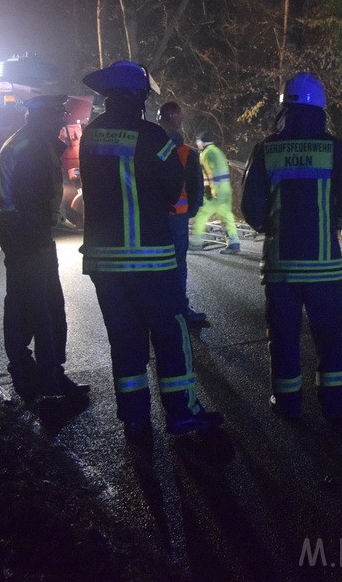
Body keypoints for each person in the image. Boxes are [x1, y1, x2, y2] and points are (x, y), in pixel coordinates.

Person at [78, 60, 223, 444]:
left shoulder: (90, 135)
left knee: (124, 340)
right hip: (150, 259)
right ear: (137, 96)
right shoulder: (153, 137)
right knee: (170, 333)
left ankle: (135, 419)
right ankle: (182, 413)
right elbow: (172, 186)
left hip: (103, 262)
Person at [240, 72, 342, 421]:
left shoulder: (266, 149)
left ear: (284, 108)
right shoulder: (335, 149)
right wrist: (335, 225)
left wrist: (270, 227)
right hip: (324, 265)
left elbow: (251, 207)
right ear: (320, 109)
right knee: (329, 336)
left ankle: (288, 401)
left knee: (282, 336)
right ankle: (334, 401)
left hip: (281, 266)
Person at [0, 94, 90, 419]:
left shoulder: (36, 144)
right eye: (57, 115)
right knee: (39, 311)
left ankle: (47, 376)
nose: (61, 122)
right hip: (26, 241)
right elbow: (24, 203)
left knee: (46, 308)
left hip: (33, 240)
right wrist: (37, 236)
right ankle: (45, 385)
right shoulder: (29, 148)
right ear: (42, 117)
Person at [157, 101, 209, 329]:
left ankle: (160, 310)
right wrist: (193, 209)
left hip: (155, 217)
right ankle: (179, 310)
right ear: (175, 117)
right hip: (177, 216)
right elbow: (195, 185)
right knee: (178, 263)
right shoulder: (186, 152)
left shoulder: (150, 147)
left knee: (158, 263)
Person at [192, 131, 241, 254]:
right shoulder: (218, 152)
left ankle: (197, 242)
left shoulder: (205, 154)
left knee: (202, 213)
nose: (197, 144)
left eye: (198, 141)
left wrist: (209, 191)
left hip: (215, 192)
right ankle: (234, 243)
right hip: (225, 190)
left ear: (202, 142)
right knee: (227, 217)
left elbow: (210, 173)